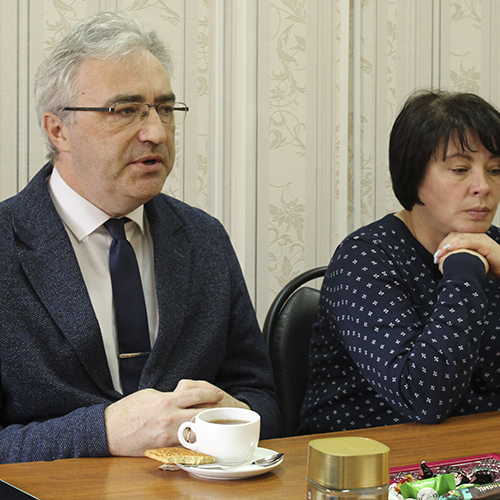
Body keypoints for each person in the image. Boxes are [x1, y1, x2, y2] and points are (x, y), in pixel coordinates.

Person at [0, 11, 279, 464]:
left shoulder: (203, 238)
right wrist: (103, 432)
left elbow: (261, 396)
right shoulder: (6, 245)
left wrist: (237, 415)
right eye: (125, 111)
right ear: (58, 130)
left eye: (164, 110)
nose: (155, 133)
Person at [300, 89, 500, 434]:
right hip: (367, 456)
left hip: (474, 451)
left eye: (495, 169)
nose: (483, 186)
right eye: (460, 169)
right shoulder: (364, 258)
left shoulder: (494, 248)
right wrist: (464, 269)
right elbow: (425, 398)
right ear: (413, 174)